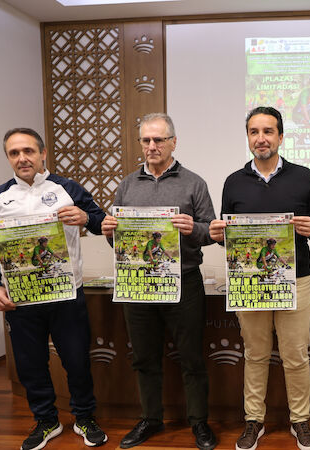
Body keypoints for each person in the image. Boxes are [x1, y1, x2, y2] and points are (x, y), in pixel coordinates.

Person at [0, 128, 108, 450]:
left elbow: (102, 223)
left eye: (28, 151)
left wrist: (84, 217)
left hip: (67, 295)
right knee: (30, 364)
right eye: (14, 153)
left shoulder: (68, 188)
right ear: (8, 157)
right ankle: (46, 420)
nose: (22, 158)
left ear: (43, 153)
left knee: (76, 361)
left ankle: (84, 417)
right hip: (21, 298)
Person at [209, 106, 310, 450]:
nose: (261, 138)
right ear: (248, 137)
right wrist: (218, 235)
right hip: (250, 283)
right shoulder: (233, 181)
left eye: (268, 131)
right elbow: (229, 236)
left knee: (296, 355)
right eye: (254, 132)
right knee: (255, 354)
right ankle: (253, 420)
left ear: (280, 136)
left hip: (296, 280)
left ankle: (300, 420)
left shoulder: (303, 176)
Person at [101, 113, 217, 450]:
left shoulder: (194, 183)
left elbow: (211, 231)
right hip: (138, 284)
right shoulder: (127, 185)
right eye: (146, 140)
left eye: (159, 140)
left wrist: (192, 228)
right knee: (143, 357)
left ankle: (199, 422)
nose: (152, 146)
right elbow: (120, 241)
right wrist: (109, 233)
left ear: (173, 142)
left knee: (191, 357)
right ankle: (150, 419)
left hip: (184, 282)